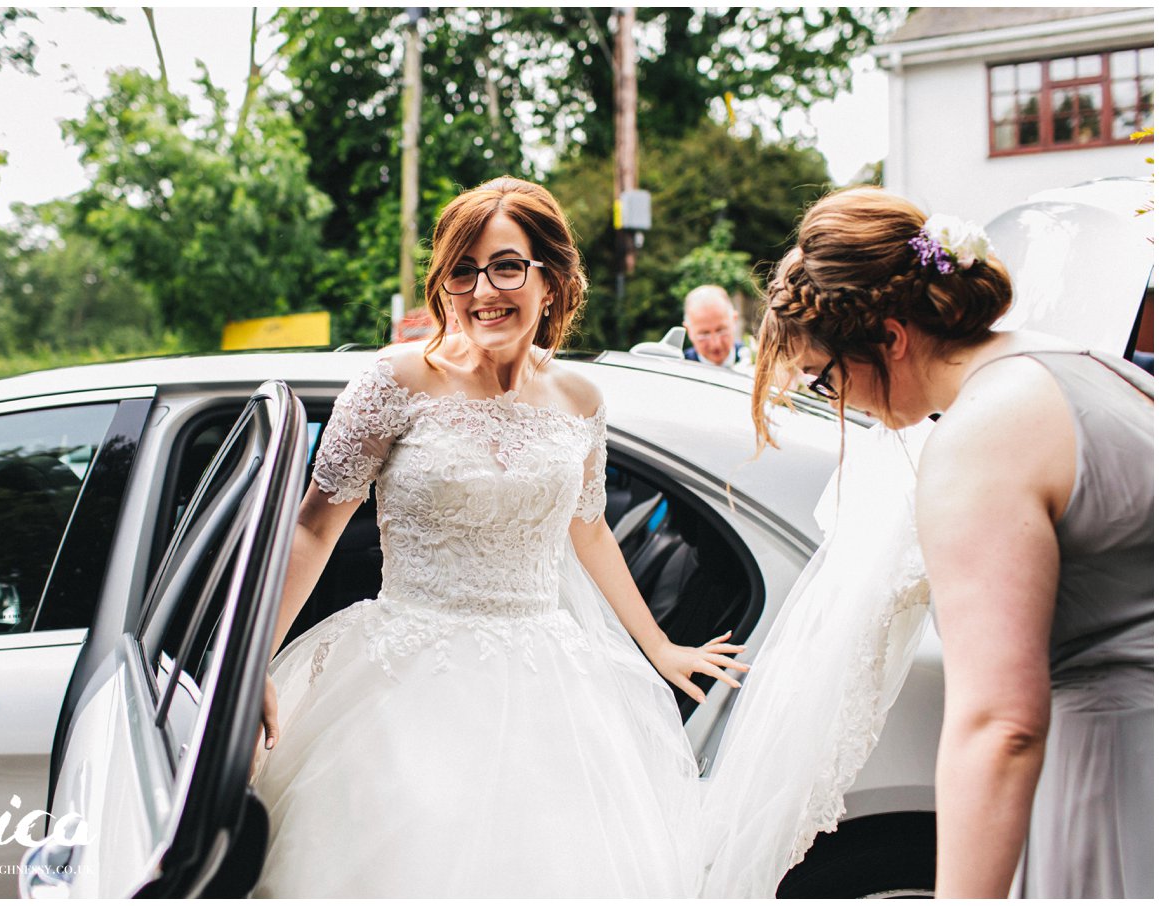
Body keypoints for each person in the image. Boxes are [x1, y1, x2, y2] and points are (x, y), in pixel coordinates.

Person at [249, 176, 748, 897]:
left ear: (550, 278)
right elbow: (315, 525)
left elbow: (589, 527)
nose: (485, 288)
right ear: (444, 283)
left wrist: (658, 644)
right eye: (463, 269)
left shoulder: (580, 400)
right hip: (401, 678)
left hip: (548, 686)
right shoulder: (394, 382)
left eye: (507, 265)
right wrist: (253, 659)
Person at [747, 187, 1153, 898]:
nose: (842, 403)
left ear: (891, 340)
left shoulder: (981, 435)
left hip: (1115, 778)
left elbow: (1000, 725)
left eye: (827, 377)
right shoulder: (1092, 367)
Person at [682, 285, 748, 370]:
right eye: (704, 334)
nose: (715, 344)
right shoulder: (678, 368)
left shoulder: (759, 360)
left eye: (721, 330)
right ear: (688, 331)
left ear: (734, 321)